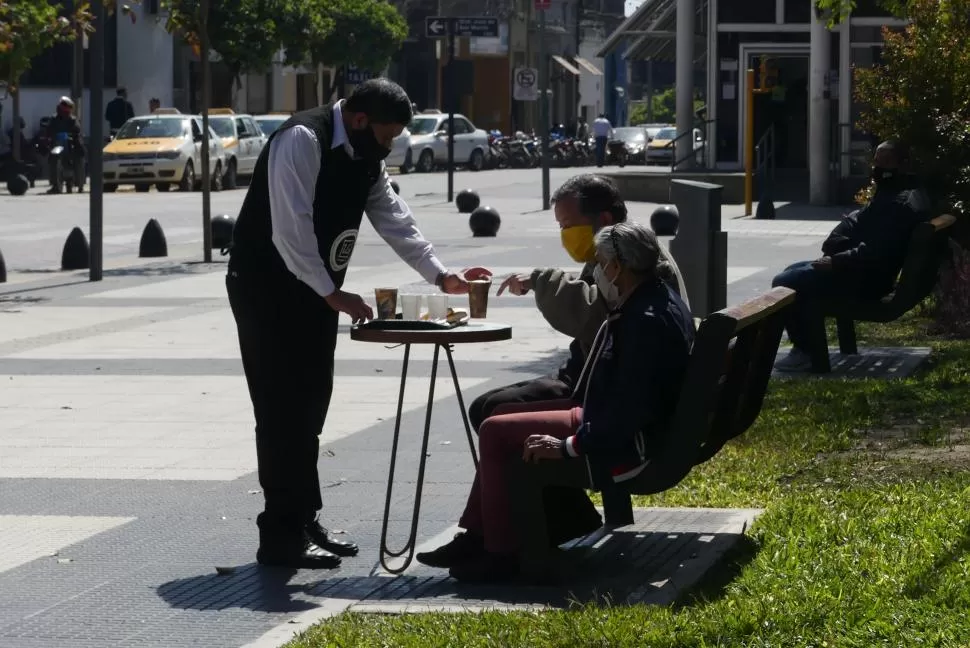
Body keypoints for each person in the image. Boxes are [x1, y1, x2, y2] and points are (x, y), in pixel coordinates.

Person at [226, 78, 491, 570]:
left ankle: (303, 517)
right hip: (267, 287)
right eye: (386, 136)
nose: (388, 147)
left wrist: (440, 274)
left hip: (316, 291)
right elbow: (291, 228)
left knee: (311, 404)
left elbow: (393, 216)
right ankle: (279, 535)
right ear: (359, 119)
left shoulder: (366, 153)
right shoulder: (302, 139)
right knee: (281, 407)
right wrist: (332, 292)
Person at [416, 222, 696, 583]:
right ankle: (482, 537)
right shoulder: (651, 299)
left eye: (600, 263)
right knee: (498, 418)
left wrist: (568, 446)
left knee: (494, 430)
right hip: (623, 425)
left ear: (616, 268)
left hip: (628, 446)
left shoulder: (644, 320)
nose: (596, 271)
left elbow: (627, 414)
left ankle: (500, 552)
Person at [464, 173, 689, 545]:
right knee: (488, 408)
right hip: (597, 383)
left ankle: (497, 535)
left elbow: (596, 322)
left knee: (495, 415)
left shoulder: (640, 273)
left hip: (598, 395)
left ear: (603, 220)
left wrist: (541, 281)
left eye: (569, 225)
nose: (565, 235)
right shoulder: (629, 256)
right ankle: (563, 517)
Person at [773, 140, 929, 372]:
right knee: (792, 270)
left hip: (868, 280)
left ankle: (805, 350)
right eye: (877, 162)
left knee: (785, 282)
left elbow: (879, 250)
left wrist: (837, 261)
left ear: (904, 164)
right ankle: (803, 347)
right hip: (868, 272)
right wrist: (839, 238)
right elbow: (859, 219)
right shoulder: (895, 192)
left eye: (886, 162)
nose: (879, 168)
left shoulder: (900, 202)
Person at [45, 97, 85, 194]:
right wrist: (49, 138)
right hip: (58, 145)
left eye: (68, 107)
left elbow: (77, 130)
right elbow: (48, 130)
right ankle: (55, 185)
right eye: (64, 106)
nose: (65, 109)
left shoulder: (72, 119)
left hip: (71, 144)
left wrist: (75, 137)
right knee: (53, 159)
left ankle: (79, 183)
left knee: (80, 155)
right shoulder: (54, 118)